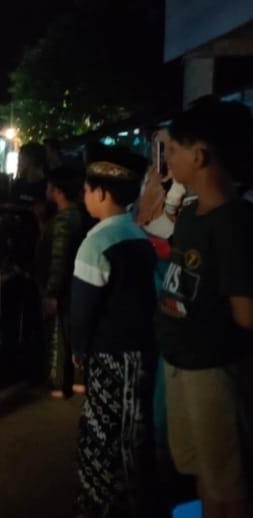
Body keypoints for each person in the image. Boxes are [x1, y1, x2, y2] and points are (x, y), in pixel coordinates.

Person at [156, 99, 253, 518]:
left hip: (214, 372)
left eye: (173, 149)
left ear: (199, 155)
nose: (167, 159)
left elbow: (246, 314)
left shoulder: (235, 222)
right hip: (182, 363)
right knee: (202, 472)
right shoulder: (192, 213)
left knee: (229, 484)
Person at [71, 153, 157, 517]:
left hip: (109, 354)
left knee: (105, 435)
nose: (85, 197)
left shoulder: (96, 243)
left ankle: (106, 504)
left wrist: (78, 349)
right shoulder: (140, 236)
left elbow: (83, 310)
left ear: (102, 193)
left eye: (87, 190)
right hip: (141, 351)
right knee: (132, 431)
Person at [35, 167, 86, 398]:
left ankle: (59, 383)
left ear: (58, 191)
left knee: (59, 334)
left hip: (62, 289)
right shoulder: (77, 215)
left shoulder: (64, 220)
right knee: (72, 331)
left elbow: (59, 257)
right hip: (74, 286)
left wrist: (52, 291)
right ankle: (77, 380)